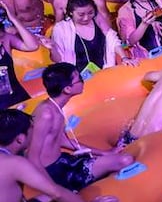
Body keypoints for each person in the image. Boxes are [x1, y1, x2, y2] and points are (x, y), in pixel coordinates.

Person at [0, 109, 117, 202]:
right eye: (32, 129)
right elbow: (56, 193)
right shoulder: (15, 163)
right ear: (20, 139)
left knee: (56, 194)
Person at [27, 63, 134, 192]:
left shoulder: (54, 108)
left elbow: (63, 141)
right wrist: (54, 190)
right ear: (67, 89)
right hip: (55, 173)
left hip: (63, 161)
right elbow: (32, 156)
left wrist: (105, 152)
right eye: (80, 79)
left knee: (117, 160)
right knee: (125, 160)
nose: (83, 81)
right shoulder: (46, 114)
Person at [50, 0, 125, 72]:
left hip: (104, 71)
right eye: (81, 14)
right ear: (71, 12)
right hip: (76, 76)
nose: (86, 18)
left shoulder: (97, 19)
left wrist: (124, 57)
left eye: (90, 13)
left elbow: (112, 38)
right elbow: (58, 59)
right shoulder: (60, 29)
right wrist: (52, 47)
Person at [0, 0, 39, 109]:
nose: (0, 42)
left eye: (1, 37)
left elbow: (33, 46)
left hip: (18, 98)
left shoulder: (7, 39)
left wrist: (13, 19)